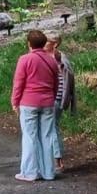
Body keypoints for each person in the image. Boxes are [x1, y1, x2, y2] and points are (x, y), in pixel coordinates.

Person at [10, 29, 61, 182]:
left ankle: (30, 172)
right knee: (47, 136)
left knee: (30, 137)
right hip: (47, 102)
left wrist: (15, 101)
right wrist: (51, 96)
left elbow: (19, 83)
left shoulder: (24, 59)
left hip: (29, 102)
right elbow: (56, 82)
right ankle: (48, 172)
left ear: (29, 44)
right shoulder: (51, 60)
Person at [46, 34, 76, 174]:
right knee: (51, 127)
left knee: (52, 127)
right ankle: (53, 159)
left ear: (55, 43)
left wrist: (63, 100)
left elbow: (66, 80)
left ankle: (58, 160)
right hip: (48, 98)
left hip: (55, 99)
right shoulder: (46, 56)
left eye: (47, 41)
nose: (44, 43)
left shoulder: (59, 58)